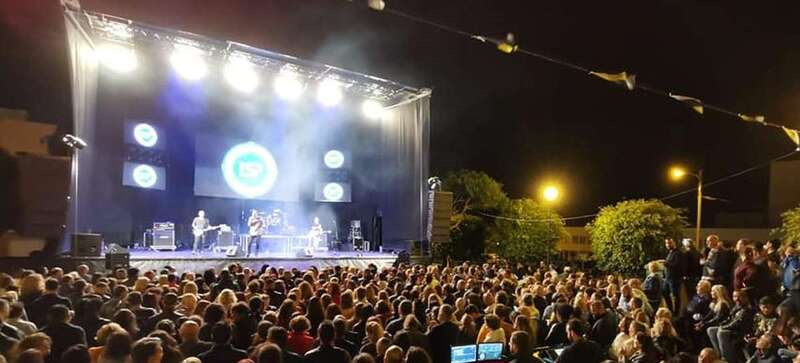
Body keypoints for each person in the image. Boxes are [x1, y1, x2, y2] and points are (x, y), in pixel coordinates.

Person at [709, 289, 755, 363]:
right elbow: (729, 319)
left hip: (740, 331)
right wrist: (722, 324)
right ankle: (719, 354)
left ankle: (727, 359)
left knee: (722, 332)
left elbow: (737, 323)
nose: (737, 299)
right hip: (732, 329)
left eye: (739, 297)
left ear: (745, 297)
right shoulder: (736, 307)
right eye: (735, 296)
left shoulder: (748, 309)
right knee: (711, 330)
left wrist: (723, 327)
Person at [664, 238, 687, 313]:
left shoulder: (678, 253)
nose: (668, 245)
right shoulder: (670, 253)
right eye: (667, 243)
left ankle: (676, 312)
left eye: (670, 243)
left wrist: (666, 263)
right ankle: (670, 309)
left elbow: (677, 265)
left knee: (675, 295)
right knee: (664, 292)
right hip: (668, 277)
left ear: (674, 243)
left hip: (675, 278)